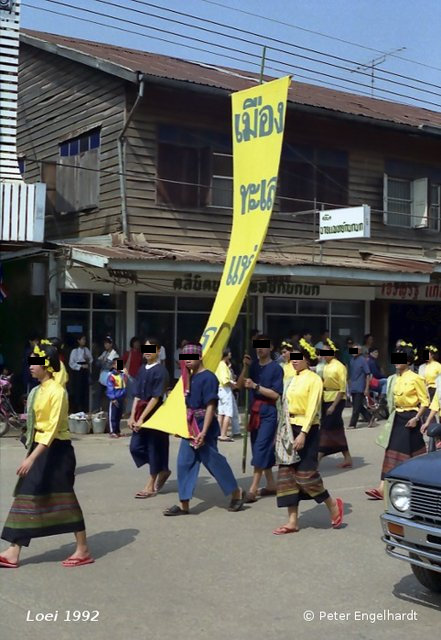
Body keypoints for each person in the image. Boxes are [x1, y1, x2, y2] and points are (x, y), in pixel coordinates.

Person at [0, 340, 93, 568]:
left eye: (36, 362)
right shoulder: (36, 391)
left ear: (48, 364)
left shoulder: (58, 391)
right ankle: (14, 549)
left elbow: (51, 429)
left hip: (57, 451)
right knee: (28, 494)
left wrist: (32, 457)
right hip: (40, 447)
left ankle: (82, 548)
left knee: (63, 497)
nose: (31, 366)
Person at [163, 343, 245, 516]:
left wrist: (204, 431)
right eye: (184, 359)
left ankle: (236, 492)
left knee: (213, 462)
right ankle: (183, 503)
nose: (187, 362)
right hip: (191, 426)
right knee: (184, 463)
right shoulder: (189, 378)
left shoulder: (208, 378)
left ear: (199, 357)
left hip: (204, 426)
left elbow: (210, 406)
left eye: (190, 358)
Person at [273, 339, 344, 535]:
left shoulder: (314, 379)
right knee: (287, 477)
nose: (293, 361)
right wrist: (281, 433)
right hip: (289, 428)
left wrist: (303, 433)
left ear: (306, 359)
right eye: (291, 357)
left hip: (308, 430)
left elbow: (313, 408)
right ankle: (292, 521)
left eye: (298, 357)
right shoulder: (291, 379)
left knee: (306, 476)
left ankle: (333, 505)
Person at [365, 342, 429, 500]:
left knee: (412, 455)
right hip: (397, 418)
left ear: (408, 361)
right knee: (391, 453)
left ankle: (421, 487)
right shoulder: (393, 379)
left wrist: (416, 418)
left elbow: (425, 402)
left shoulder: (416, 378)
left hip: (410, 418)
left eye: (401, 358)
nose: (397, 361)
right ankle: (382, 488)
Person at [236, 334, 283, 502]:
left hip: (268, 412)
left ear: (271, 348)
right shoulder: (253, 366)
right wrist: (244, 367)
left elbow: (276, 394)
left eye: (263, 345)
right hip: (254, 412)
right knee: (258, 448)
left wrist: (256, 386)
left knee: (261, 448)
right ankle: (271, 484)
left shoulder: (277, 368)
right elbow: (240, 385)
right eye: (257, 345)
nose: (260, 348)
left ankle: (253, 488)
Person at [128, 338, 170, 498]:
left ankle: (150, 485)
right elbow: (138, 395)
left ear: (158, 350)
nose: (147, 352)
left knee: (153, 448)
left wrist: (143, 418)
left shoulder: (161, 371)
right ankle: (161, 468)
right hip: (140, 413)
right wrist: (133, 416)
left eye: (151, 349)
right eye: (145, 349)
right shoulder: (141, 369)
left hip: (155, 414)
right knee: (135, 447)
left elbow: (155, 397)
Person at [318, 338, 352, 468]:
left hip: (336, 400)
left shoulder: (340, 366)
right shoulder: (325, 366)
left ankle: (318, 456)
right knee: (336, 429)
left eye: (326, 352)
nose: (323, 354)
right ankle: (347, 457)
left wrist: (333, 406)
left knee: (326, 428)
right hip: (326, 398)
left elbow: (342, 389)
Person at [348, 344, 373, 428]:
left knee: (356, 407)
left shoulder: (363, 360)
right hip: (353, 387)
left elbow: (367, 374)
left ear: (360, 351)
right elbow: (351, 374)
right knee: (358, 406)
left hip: (360, 387)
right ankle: (370, 418)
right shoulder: (351, 360)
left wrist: (366, 388)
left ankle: (352, 424)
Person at [215, 348, 237, 442]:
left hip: (220, 389)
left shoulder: (221, 365)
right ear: (227, 354)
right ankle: (223, 434)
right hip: (225, 389)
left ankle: (219, 433)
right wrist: (234, 385)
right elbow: (226, 380)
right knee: (228, 413)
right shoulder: (222, 365)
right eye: (229, 352)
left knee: (221, 412)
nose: (231, 354)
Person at [68, 334, 93, 413]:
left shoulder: (86, 350)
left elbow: (91, 359)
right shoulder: (74, 351)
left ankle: (84, 408)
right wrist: (80, 366)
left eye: (85, 340)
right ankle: (77, 408)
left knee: (85, 390)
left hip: (85, 371)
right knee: (77, 389)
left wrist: (88, 361)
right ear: (78, 341)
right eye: (82, 339)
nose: (84, 341)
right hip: (77, 372)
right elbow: (71, 363)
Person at [106, 358, 128, 438]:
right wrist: (113, 398)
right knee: (113, 415)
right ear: (114, 365)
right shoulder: (111, 375)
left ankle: (117, 431)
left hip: (121, 397)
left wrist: (126, 374)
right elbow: (110, 388)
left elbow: (124, 385)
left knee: (119, 415)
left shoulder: (122, 374)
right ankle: (112, 431)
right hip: (115, 398)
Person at [97, 336, 119, 410]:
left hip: (110, 377)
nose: (105, 345)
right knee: (101, 395)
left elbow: (119, 367)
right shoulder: (104, 353)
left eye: (107, 343)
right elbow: (98, 362)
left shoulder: (115, 354)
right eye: (105, 344)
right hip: (103, 377)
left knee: (109, 395)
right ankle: (101, 409)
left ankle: (109, 410)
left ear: (111, 344)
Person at [421, 345, 441, 424]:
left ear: (432, 355)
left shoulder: (438, 366)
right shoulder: (423, 367)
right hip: (426, 389)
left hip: (435, 389)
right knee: (427, 412)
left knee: (436, 410)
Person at [122, 337, 143, 415]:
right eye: (135, 342)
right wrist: (122, 372)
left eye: (138, 343)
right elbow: (120, 362)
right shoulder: (128, 353)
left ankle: (133, 412)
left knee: (136, 395)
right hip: (130, 377)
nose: (137, 344)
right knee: (130, 395)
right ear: (132, 344)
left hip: (138, 377)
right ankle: (128, 412)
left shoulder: (141, 354)